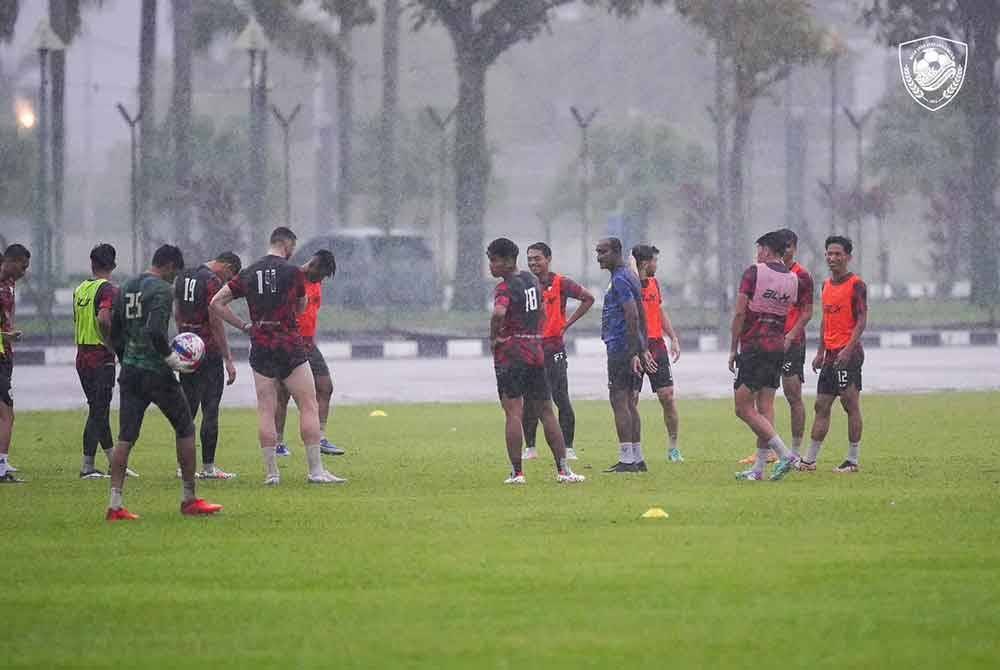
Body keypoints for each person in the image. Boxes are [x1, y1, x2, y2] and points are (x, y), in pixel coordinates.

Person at [210, 227, 344, 485]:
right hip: (289, 343)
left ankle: (272, 473)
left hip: (260, 343)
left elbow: (216, 302)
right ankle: (316, 471)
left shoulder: (249, 272)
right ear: (287, 243)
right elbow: (301, 306)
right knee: (308, 404)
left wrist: (244, 326)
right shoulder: (292, 272)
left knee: (266, 409)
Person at [105, 245, 223, 520]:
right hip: (156, 371)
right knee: (185, 428)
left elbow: (114, 329)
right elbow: (156, 331)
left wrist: (125, 358)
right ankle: (189, 498)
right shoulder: (161, 290)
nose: (174, 280)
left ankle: (114, 505)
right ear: (169, 266)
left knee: (125, 437)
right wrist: (171, 359)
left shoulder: (126, 287)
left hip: (131, 371)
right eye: (174, 274)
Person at [487, 238, 584, 485]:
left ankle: (517, 473)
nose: (490, 266)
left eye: (494, 260)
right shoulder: (532, 281)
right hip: (536, 351)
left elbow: (499, 313)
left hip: (512, 354)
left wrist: (495, 337)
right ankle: (564, 470)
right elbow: (541, 311)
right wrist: (537, 333)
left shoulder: (505, 288)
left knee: (513, 413)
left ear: (508, 261)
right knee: (546, 411)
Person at [738, 228, 814, 465]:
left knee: (793, 395)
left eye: (790, 246)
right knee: (763, 400)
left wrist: (791, 335)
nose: (787, 250)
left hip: (787, 341)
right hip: (772, 342)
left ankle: (793, 450)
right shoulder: (765, 273)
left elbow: (807, 311)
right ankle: (765, 457)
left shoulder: (800, 276)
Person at [519, 242, 594, 461]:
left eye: (537, 258)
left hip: (554, 348)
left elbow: (588, 298)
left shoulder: (561, 283)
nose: (533, 262)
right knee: (530, 400)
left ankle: (568, 447)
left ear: (548, 259)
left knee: (560, 397)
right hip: (531, 349)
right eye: (530, 258)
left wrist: (567, 323)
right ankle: (530, 448)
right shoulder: (524, 285)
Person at [800, 235, 868, 473]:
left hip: (848, 355)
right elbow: (825, 321)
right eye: (829, 253)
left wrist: (848, 349)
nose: (833, 258)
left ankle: (852, 460)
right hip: (830, 356)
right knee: (821, 405)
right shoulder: (826, 285)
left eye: (838, 254)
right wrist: (820, 351)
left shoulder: (856, 285)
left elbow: (861, 320)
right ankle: (809, 460)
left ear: (848, 257)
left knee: (850, 404)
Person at [174, 251, 243, 479]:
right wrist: (228, 358)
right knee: (210, 409)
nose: (225, 283)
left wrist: (183, 338)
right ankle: (208, 468)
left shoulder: (184, 276)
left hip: (187, 350)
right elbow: (215, 319)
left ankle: (183, 467)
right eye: (229, 276)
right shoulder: (211, 281)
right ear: (226, 265)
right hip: (208, 352)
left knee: (187, 410)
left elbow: (177, 311)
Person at [275, 249, 342, 458]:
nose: (320, 279)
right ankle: (277, 442)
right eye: (320, 274)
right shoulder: (292, 278)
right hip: (289, 342)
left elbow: (311, 313)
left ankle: (320, 437)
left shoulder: (316, 282)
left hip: (309, 344)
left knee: (325, 387)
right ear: (313, 264)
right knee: (282, 393)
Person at [596, 237, 654, 473]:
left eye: (603, 252)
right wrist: (643, 346)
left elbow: (632, 315)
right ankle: (637, 457)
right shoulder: (629, 275)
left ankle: (627, 460)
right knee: (630, 401)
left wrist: (633, 351)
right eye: (597, 252)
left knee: (619, 400)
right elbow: (641, 312)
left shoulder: (620, 278)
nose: (598, 256)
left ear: (616, 252)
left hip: (621, 347)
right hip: (629, 346)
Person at [74, 243, 126, 479]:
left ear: (92, 264)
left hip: (82, 356)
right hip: (100, 357)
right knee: (99, 411)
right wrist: (112, 344)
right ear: (113, 265)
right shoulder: (108, 290)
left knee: (98, 410)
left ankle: (110, 463)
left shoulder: (81, 289)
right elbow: (104, 318)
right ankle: (90, 467)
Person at [632, 244, 684, 463]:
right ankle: (632, 450)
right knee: (630, 399)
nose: (656, 265)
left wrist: (673, 337)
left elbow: (659, 311)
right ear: (644, 263)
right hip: (634, 346)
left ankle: (673, 448)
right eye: (654, 260)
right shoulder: (629, 285)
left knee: (667, 397)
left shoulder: (655, 283)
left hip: (656, 345)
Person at [0, 244, 30, 483]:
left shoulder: (10, 285)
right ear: (11, 261)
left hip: (5, 355)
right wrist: (4, 336)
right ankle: (1, 468)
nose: (24, 272)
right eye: (23, 266)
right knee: (7, 413)